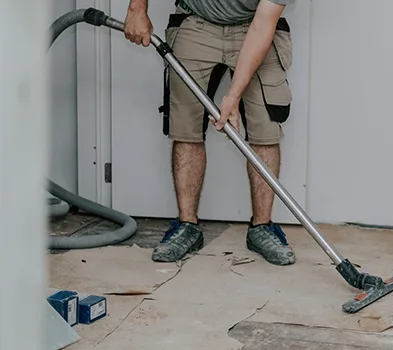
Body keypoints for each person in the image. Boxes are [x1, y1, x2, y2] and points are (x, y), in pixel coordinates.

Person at [123, 0, 296, 265]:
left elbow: (262, 25)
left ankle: (262, 227)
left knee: (266, 129)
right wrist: (137, 7)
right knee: (185, 128)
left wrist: (233, 95)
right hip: (196, 21)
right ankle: (187, 226)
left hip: (255, 25)